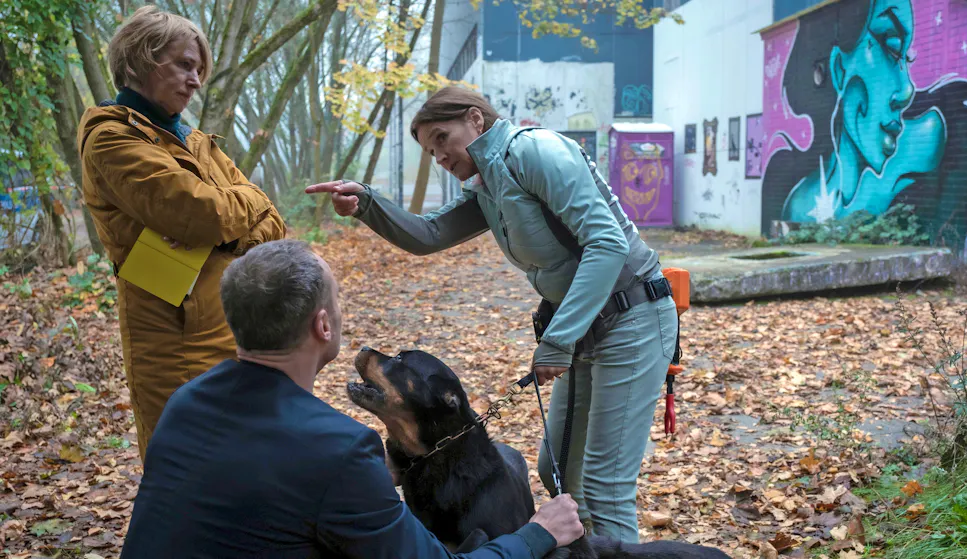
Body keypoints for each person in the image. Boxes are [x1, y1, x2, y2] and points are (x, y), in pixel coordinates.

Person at [305, 86, 678, 542]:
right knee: (556, 470)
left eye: (442, 138)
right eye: (430, 150)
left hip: (632, 318)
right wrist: (367, 202)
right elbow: (429, 234)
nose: (439, 156)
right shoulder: (489, 184)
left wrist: (558, 339)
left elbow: (607, 243)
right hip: (585, 326)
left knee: (603, 488)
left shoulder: (535, 153)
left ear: (475, 119)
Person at [120, 240, 584, 558]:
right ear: (323, 326)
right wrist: (537, 534)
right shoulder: (339, 449)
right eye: (338, 301)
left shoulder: (184, 403)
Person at [77, 6, 285, 460]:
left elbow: (273, 220)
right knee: (185, 464)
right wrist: (234, 215)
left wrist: (229, 234)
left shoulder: (193, 140)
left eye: (199, 70)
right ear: (140, 60)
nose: (195, 81)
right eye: (185, 65)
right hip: (170, 333)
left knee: (241, 458)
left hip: (232, 319)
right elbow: (201, 213)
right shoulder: (111, 138)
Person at [761, 0, 967, 247]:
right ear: (840, 69)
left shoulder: (928, 141)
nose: (907, 90)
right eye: (891, 48)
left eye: (906, 59)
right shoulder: (800, 203)